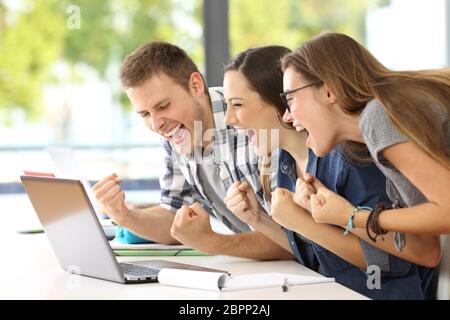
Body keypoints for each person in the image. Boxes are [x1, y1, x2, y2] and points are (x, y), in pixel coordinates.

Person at [223, 45, 437, 299]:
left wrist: (310, 222)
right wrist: (258, 219)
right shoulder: (284, 165)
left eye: (237, 104)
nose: (228, 119)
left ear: (276, 103)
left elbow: (393, 262)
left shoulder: (349, 157)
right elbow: (314, 254)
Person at [93, 42, 292, 260]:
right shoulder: (176, 132)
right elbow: (173, 216)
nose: (157, 123)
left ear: (196, 86)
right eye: (144, 114)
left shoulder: (251, 121)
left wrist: (213, 242)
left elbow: (294, 241)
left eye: (163, 106)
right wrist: (123, 215)